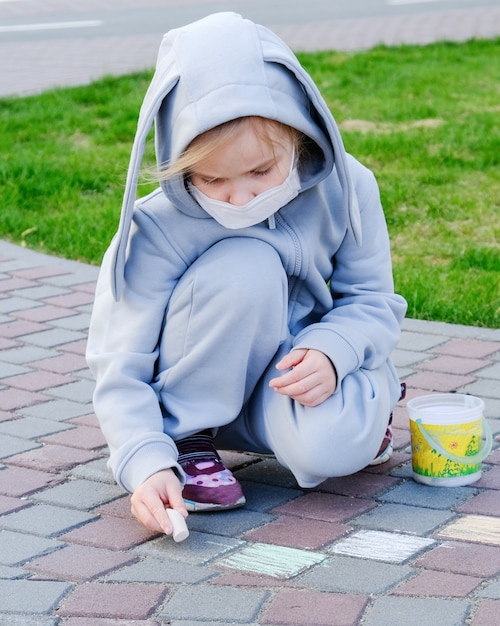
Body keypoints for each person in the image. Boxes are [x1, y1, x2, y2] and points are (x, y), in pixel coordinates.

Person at [86, 12, 407, 537]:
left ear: (298, 137)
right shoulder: (156, 227)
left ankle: (373, 394)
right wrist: (144, 460)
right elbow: (119, 361)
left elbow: (372, 300)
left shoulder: (346, 186)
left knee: (336, 449)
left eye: (261, 171)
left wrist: (335, 351)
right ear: (182, 165)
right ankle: (191, 441)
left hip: (286, 375)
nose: (242, 197)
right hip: (197, 390)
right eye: (213, 179)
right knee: (247, 263)